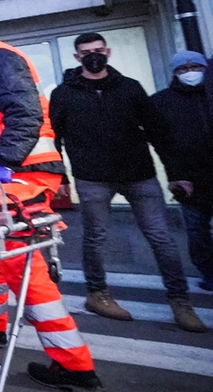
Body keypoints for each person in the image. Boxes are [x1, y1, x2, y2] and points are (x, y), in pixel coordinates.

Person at [0, 14, 101, 389]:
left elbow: (24, 113)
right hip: (11, 174)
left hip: (21, 172)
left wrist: (6, 163)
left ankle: (73, 364)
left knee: (19, 261)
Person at [49, 32, 205, 332]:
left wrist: (176, 173)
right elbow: (54, 137)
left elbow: (158, 131)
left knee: (161, 238)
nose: (93, 55)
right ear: (77, 57)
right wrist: (60, 177)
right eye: (86, 52)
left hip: (138, 174)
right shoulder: (64, 94)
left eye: (98, 50)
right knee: (95, 238)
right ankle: (97, 294)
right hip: (92, 176)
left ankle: (180, 302)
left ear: (107, 51)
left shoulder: (130, 88)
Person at [151, 51, 213, 293]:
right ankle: (208, 271)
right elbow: (163, 143)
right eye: (183, 68)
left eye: (194, 66)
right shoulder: (162, 101)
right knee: (197, 228)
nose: (190, 72)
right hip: (189, 177)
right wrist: (175, 175)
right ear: (175, 72)